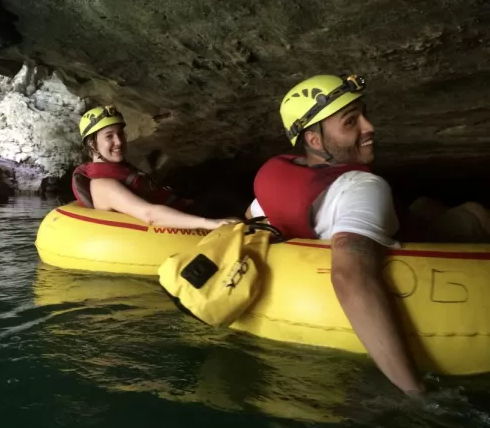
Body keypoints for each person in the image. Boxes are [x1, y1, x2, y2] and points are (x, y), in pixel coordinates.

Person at [246, 74, 428, 397]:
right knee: (474, 214)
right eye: (351, 122)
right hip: (421, 248)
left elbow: (250, 219)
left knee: (429, 205)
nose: (369, 127)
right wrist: (416, 394)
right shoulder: (363, 188)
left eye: (364, 114)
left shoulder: (280, 181)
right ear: (315, 141)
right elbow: (349, 277)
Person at [71, 105, 239, 230]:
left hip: (179, 210)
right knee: (225, 197)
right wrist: (210, 224)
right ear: (93, 144)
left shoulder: (116, 170)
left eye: (120, 134)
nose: (119, 142)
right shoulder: (103, 185)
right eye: (109, 136)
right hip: (167, 230)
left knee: (213, 189)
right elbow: (149, 215)